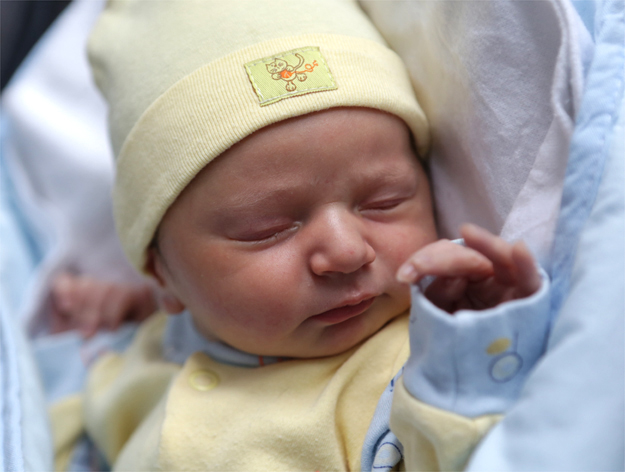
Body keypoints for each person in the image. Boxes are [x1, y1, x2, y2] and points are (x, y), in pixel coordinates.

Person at [50, 1, 551, 471]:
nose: (347, 251)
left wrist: (479, 343)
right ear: (164, 273)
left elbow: (474, 451)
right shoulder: (162, 340)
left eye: (384, 201)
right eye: (267, 229)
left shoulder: (419, 366)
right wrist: (127, 310)